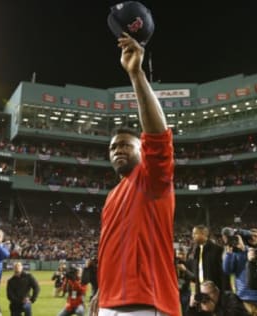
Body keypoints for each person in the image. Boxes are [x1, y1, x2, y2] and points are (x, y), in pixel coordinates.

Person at [90, 32, 180, 316]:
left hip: (146, 305)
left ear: (142, 151)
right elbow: (114, 250)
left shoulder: (151, 179)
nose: (117, 150)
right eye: (113, 147)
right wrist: (102, 291)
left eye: (126, 145)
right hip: (110, 303)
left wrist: (136, 75)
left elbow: (157, 136)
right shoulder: (112, 196)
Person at [222, 228, 257, 316]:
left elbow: (255, 258)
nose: (252, 238)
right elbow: (227, 270)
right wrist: (229, 253)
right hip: (243, 300)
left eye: (256, 236)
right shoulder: (238, 252)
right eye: (250, 235)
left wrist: (244, 250)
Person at [189, 225, 231, 293]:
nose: (192, 235)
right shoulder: (194, 250)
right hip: (200, 291)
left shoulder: (218, 250)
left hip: (215, 292)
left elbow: (224, 275)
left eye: (195, 233)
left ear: (203, 234)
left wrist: (225, 292)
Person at [176, 247, 195, 315]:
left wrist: (185, 270)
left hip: (185, 290)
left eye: (182, 254)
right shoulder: (174, 261)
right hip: (174, 290)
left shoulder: (190, 262)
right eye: (179, 254)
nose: (180, 256)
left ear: (186, 254)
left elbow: (194, 278)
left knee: (186, 312)